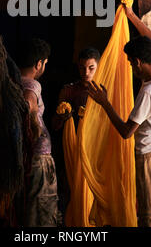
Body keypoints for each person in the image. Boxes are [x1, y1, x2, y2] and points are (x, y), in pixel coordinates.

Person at [87, 5, 151, 227]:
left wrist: (105, 103)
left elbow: (127, 132)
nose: (130, 67)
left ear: (138, 62)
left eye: (130, 63)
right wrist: (131, 15)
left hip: (150, 159)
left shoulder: (148, 93)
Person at [17, 37, 58, 227]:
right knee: (43, 210)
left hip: (27, 157)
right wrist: (35, 132)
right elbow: (28, 103)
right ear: (39, 63)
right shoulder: (32, 85)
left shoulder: (13, 81)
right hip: (38, 157)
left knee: (31, 210)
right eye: (45, 64)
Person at [52, 47, 101, 131]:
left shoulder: (102, 91)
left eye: (91, 68)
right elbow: (55, 126)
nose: (86, 72)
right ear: (78, 67)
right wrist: (62, 116)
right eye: (82, 68)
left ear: (99, 67)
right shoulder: (68, 90)